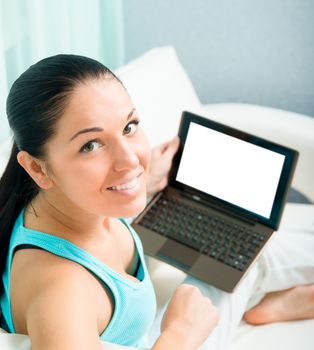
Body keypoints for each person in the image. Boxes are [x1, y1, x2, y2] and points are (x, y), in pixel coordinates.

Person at [0, 54, 313, 350]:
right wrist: (180, 334)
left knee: (244, 252)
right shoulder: (62, 292)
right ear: (37, 168)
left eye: (129, 127)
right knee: (248, 260)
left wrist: (141, 184)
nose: (130, 159)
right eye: (91, 145)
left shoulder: (72, 200)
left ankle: (281, 303)